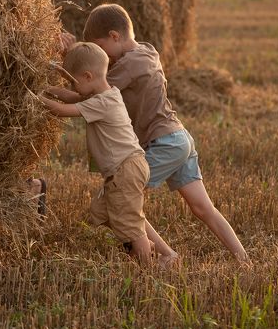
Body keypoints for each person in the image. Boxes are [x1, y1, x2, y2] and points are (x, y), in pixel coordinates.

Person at [74, 4, 249, 262]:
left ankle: (167, 256)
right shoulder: (147, 51)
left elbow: (91, 88)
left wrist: (70, 57)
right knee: (203, 208)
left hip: (164, 143)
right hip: (179, 138)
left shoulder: (129, 65)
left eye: (101, 48)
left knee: (117, 198)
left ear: (114, 36)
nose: (104, 56)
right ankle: (244, 259)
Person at [39, 42, 179, 267]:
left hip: (126, 169)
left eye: (73, 82)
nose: (72, 88)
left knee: (132, 226)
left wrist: (31, 96)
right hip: (127, 166)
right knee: (102, 211)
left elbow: (62, 110)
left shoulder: (102, 102)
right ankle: (147, 251)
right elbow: (68, 97)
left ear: (87, 76)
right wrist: (44, 86)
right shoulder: (106, 94)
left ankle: (149, 268)